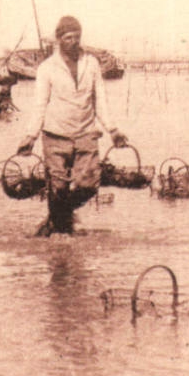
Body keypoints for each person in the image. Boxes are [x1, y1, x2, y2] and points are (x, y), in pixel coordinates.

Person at [16, 15, 129, 237]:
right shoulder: (47, 68)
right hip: (55, 134)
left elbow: (101, 99)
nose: (73, 42)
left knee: (88, 185)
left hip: (86, 132)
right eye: (68, 38)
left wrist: (112, 129)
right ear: (59, 40)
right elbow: (40, 104)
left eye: (77, 37)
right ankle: (60, 232)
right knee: (57, 187)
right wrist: (30, 136)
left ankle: (60, 216)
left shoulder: (92, 63)